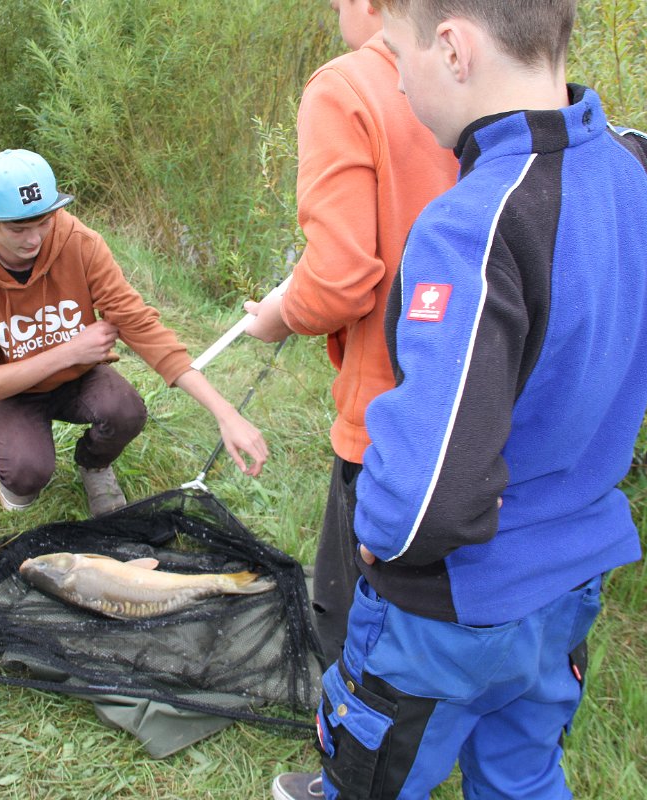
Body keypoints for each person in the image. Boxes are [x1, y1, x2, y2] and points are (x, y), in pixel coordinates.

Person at [273, 0, 647, 798]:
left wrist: (383, 534)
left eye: (398, 53)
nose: (397, 81)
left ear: (453, 48)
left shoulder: (468, 225)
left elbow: (431, 495)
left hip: (446, 613)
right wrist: (601, 376)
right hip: (569, 586)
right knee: (524, 775)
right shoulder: (638, 165)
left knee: (370, 782)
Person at [243, 0, 457, 665]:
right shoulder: (491, 78)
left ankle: (346, 725)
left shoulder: (345, 86)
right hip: (485, 405)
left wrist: (278, 316)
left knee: (351, 617)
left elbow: (340, 280)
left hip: (388, 410)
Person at [0, 149, 267, 517]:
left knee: (127, 411)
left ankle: (93, 464)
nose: (34, 239)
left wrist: (225, 413)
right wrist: (70, 351)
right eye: (18, 229)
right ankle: (18, 475)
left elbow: (139, 325)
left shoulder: (80, 243)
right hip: (12, 389)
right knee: (26, 472)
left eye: (44, 222)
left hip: (76, 376)